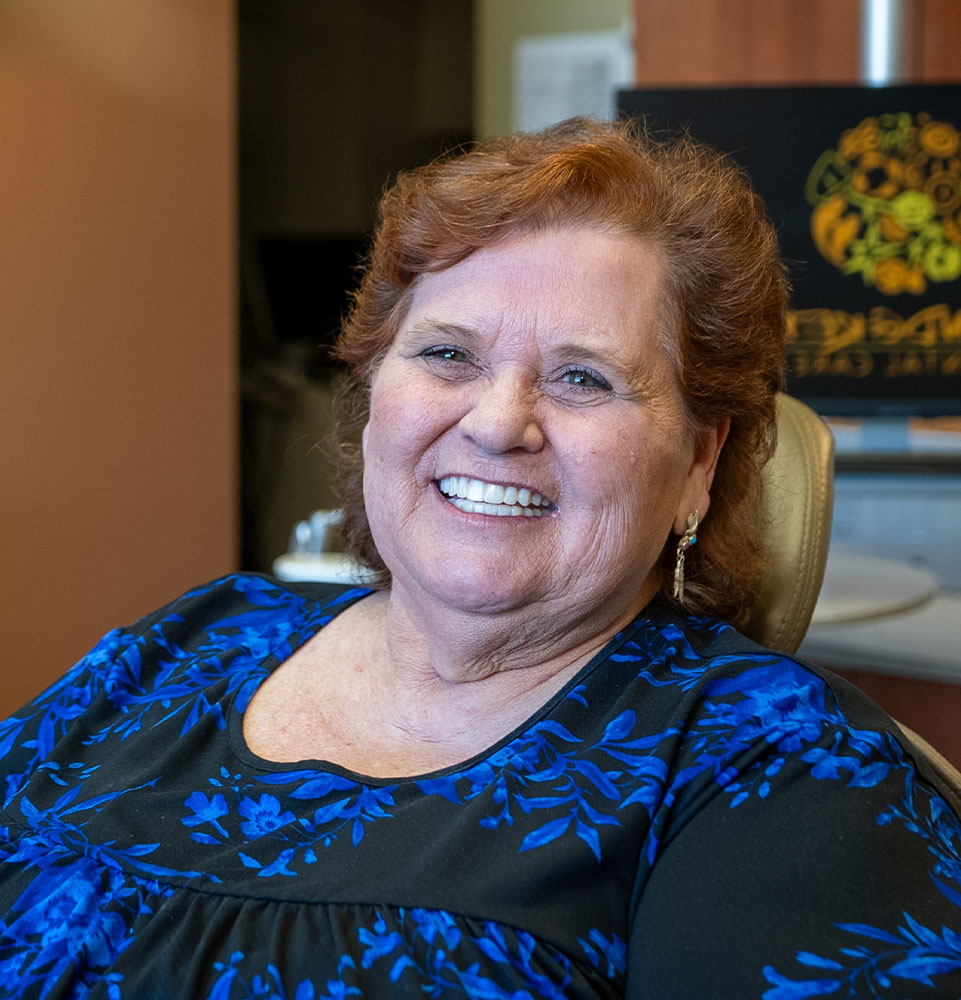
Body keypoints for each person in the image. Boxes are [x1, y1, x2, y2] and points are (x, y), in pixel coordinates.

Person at [1, 118, 959, 1000]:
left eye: (582, 378)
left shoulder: (780, 771)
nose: (498, 424)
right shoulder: (186, 644)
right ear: (376, 397)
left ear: (696, 468)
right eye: (448, 356)